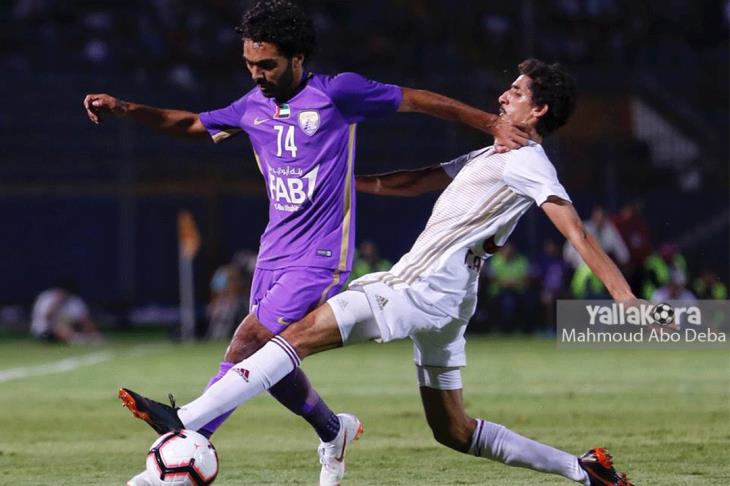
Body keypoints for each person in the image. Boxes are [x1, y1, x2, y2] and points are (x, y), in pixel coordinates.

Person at [119, 59, 636, 485]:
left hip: (414, 288)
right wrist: (342, 181)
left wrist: (625, 298)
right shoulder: (492, 154)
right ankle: (584, 471)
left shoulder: (529, 162)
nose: (504, 95)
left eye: (517, 92)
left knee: (292, 337)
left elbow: (578, 233)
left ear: (538, 110)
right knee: (453, 431)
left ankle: (189, 418)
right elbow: (415, 181)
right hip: (450, 300)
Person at [84, 2, 529, 484]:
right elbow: (192, 124)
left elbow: (417, 100)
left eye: (267, 64)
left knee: (248, 343)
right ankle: (334, 431)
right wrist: (128, 109)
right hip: (272, 254)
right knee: (272, 365)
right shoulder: (252, 106)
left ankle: (181, 438)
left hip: (320, 257)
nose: (257, 74)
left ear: (297, 58)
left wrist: (491, 124)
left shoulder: (339, 93)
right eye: (250, 64)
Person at [30, 279, 101, 344]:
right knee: (59, 326)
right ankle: (77, 340)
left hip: (70, 329)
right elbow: (47, 317)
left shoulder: (74, 301)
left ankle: (81, 338)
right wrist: (57, 302)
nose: (63, 293)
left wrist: (93, 333)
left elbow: (85, 320)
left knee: (65, 325)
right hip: (44, 330)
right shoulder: (46, 298)